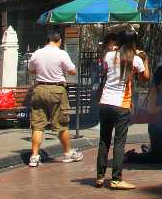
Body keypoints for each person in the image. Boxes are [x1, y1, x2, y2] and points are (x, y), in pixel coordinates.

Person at [96, 30, 149, 189]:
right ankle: (116, 179)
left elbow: (106, 70)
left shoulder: (109, 56)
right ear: (134, 43)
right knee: (119, 142)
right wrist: (144, 59)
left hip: (105, 102)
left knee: (104, 140)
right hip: (121, 105)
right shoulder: (136, 59)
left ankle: (99, 177)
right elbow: (145, 77)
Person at [26, 28, 83, 167]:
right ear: (59, 41)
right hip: (57, 89)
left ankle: (34, 156)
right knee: (62, 123)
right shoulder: (61, 53)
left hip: (39, 89)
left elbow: (30, 69)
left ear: (47, 41)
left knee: (38, 125)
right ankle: (68, 153)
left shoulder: (37, 53)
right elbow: (72, 70)